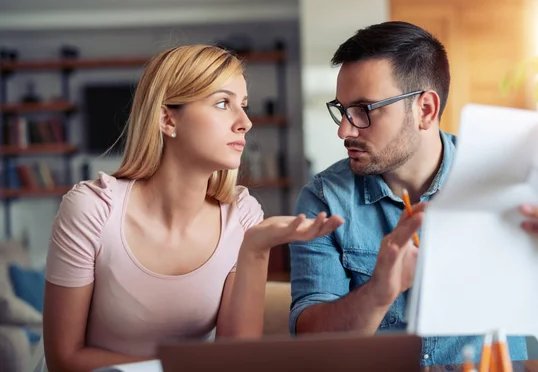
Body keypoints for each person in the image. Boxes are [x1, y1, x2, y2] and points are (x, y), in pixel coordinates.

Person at [289, 21, 538, 366]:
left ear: (425, 109)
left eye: (364, 111)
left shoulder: (512, 178)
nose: (344, 129)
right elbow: (311, 341)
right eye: (343, 111)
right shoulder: (324, 199)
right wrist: (377, 293)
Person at [42, 45, 343, 372]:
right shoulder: (91, 209)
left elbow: (236, 361)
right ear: (168, 119)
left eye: (243, 106)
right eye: (223, 103)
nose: (245, 122)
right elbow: (64, 359)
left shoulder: (242, 216)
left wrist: (255, 248)